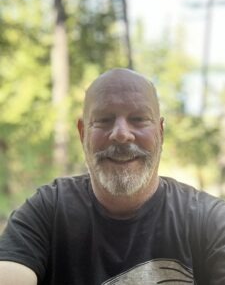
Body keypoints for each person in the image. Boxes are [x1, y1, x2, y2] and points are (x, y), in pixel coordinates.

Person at [0, 68, 225, 285]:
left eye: (138, 118)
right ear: (83, 133)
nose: (121, 134)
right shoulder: (48, 211)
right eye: (104, 120)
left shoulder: (210, 221)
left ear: (161, 132)